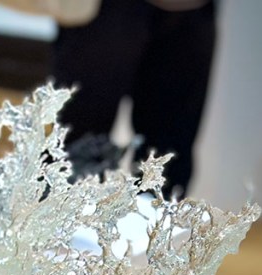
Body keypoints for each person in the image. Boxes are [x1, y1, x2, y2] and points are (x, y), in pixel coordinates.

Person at [50, 0, 217, 198]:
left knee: (166, 163)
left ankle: (156, 214)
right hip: (105, 10)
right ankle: (61, 210)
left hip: (191, 9)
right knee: (77, 146)